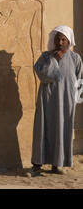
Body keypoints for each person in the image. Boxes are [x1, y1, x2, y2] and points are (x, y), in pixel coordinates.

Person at [30, 25, 83, 176]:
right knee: (43, 128)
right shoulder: (46, 57)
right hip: (47, 101)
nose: (59, 42)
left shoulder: (75, 58)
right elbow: (42, 74)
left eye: (63, 39)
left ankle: (57, 164)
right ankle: (37, 164)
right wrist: (54, 60)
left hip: (66, 102)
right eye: (57, 39)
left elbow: (80, 79)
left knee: (62, 130)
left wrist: (75, 101)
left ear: (68, 41)